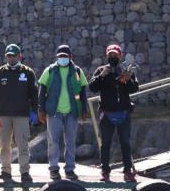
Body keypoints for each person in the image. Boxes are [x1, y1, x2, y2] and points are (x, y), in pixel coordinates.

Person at [0, 44, 38, 183]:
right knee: (4, 145)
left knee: (23, 145)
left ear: (19, 56)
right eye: (8, 56)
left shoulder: (28, 72)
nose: (11, 58)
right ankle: (5, 171)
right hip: (3, 115)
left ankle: (25, 172)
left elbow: (34, 94)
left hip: (22, 115)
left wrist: (34, 111)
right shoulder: (0, 72)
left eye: (13, 55)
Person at [38, 45, 89, 181]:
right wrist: (41, 109)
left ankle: (70, 169)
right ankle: (54, 168)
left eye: (65, 56)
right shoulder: (49, 71)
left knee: (70, 142)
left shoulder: (77, 71)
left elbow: (83, 91)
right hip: (54, 112)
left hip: (72, 111)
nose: (62, 58)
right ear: (56, 57)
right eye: (60, 56)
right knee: (53, 141)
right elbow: (42, 91)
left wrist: (84, 109)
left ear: (70, 57)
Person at [89, 44, 139, 182]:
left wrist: (128, 80)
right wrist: (101, 75)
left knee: (125, 143)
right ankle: (105, 171)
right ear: (107, 56)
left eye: (115, 55)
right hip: (107, 114)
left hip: (123, 112)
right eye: (110, 55)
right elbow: (92, 87)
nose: (113, 57)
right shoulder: (101, 70)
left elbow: (134, 89)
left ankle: (127, 171)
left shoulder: (126, 70)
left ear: (120, 56)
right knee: (105, 143)